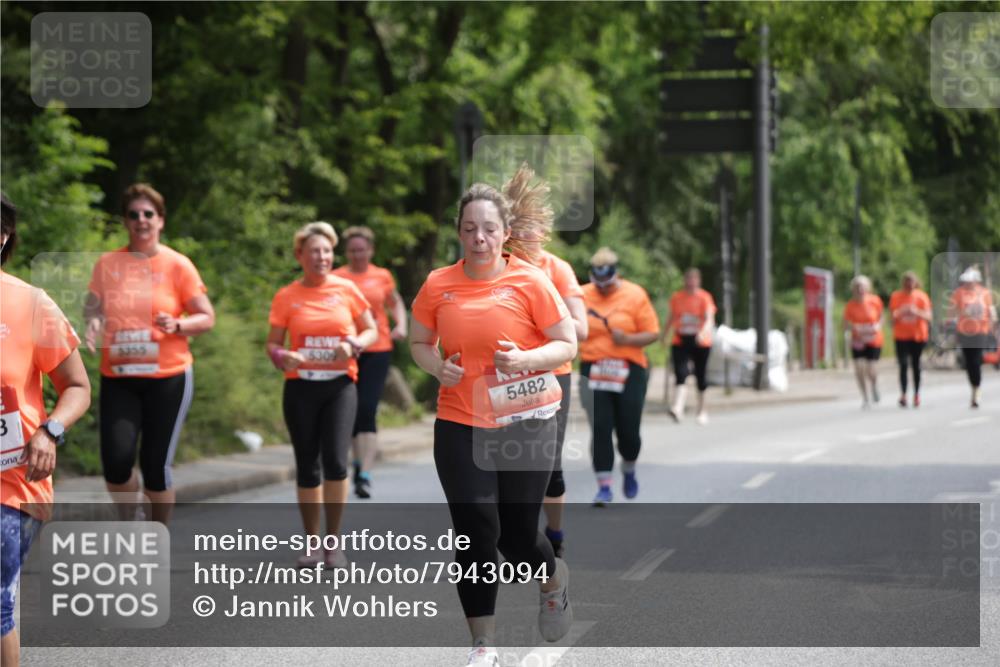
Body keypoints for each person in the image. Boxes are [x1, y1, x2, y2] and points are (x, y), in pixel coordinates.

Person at [409, 166, 577, 666]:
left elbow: (566, 342)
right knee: (474, 528)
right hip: (460, 419)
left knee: (518, 536)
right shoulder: (439, 284)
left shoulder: (532, 280)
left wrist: (526, 359)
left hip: (525, 417)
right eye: (468, 229)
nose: (478, 238)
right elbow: (418, 341)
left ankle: (551, 579)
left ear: (505, 234)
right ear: (458, 232)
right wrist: (437, 366)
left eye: (488, 229)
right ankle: (483, 645)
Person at [84, 184, 215, 524]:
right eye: (133, 214)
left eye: (148, 214)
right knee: (116, 464)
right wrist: (93, 326)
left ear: (160, 220)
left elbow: (206, 317)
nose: (141, 220)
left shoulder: (178, 265)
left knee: (156, 465)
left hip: (167, 377)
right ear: (126, 222)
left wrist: (178, 325)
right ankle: (130, 522)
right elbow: (93, 307)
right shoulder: (108, 263)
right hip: (120, 376)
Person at [2, 193, 91, 667]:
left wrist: (50, 431)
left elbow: (77, 385)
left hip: (13, 480)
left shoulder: (31, 304)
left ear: (2, 236)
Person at [268, 222, 378, 568]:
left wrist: (355, 343)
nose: (322, 257)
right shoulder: (287, 296)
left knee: (335, 460)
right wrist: (282, 356)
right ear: (300, 255)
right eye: (314, 251)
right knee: (307, 465)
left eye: (327, 251)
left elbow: (372, 329)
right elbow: (272, 344)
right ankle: (312, 543)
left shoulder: (346, 290)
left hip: (339, 386)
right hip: (300, 386)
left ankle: (334, 542)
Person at [502, 166, 589, 558]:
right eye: (516, 226)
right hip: (505, 377)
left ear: (543, 231)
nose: (524, 234)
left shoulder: (557, 269)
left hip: (552, 375)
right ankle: (519, 541)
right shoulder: (495, 267)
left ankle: (553, 534)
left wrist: (542, 317)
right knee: (506, 462)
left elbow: (581, 329)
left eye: (531, 227)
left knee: (548, 465)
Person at [579, 247, 659, 506]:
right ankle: (604, 487)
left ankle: (629, 468)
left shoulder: (635, 295)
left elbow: (652, 333)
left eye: (608, 283)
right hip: (594, 369)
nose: (603, 288)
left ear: (616, 274)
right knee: (600, 427)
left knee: (629, 430)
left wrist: (628, 339)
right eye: (598, 283)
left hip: (629, 369)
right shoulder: (581, 295)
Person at [332, 225, 407, 499]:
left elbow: (395, 301)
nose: (357, 254)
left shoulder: (382, 276)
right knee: (349, 409)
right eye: (352, 250)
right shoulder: (337, 277)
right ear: (346, 252)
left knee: (367, 407)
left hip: (377, 348)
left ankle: (364, 472)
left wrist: (401, 324)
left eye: (362, 250)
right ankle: (357, 460)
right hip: (347, 350)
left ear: (371, 250)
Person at [663, 268, 717, 424]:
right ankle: (677, 408)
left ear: (698, 281)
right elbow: (672, 317)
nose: (691, 283)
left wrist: (703, 332)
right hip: (681, 339)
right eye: (688, 279)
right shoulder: (677, 297)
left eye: (694, 280)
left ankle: (702, 410)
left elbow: (709, 318)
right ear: (685, 281)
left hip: (700, 341)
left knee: (701, 376)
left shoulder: (704, 297)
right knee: (681, 373)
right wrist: (664, 334)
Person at [948, 267, 998, 408]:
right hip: (964, 332)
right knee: (968, 362)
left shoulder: (984, 293)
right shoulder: (959, 293)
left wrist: (993, 328)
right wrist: (960, 313)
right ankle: (974, 387)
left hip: (980, 331)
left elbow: (990, 310)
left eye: (970, 281)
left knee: (976, 360)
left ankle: (977, 390)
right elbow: (952, 311)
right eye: (966, 281)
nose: (967, 284)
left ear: (976, 281)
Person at [889, 271, 932, 408]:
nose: (909, 285)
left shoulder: (922, 297)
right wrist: (901, 312)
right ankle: (903, 394)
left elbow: (929, 317)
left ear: (916, 283)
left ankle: (916, 394)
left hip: (918, 336)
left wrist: (916, 312)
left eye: (911, 282)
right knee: (902, 365)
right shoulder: (896, 296)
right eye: (907, 282)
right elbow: (891, 318)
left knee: (916, 365)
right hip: (901, 336)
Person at [843, 275, 884, 409]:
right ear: (853, 289)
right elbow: (845, 324)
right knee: (859, 368)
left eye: (862, 286)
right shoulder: (850, 305)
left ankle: (874, 385)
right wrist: (854, 327)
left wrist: (877, 326)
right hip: (858, 340)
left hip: (873, 339)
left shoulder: (875, 301)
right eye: (857, 287)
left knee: (871, 369)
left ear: (867, 288)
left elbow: (881, 317)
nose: (860, 289)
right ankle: (865, 397)